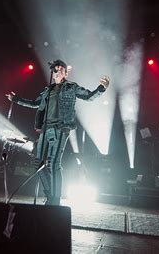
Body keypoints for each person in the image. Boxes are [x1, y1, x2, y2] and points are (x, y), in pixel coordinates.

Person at [6, 60, 109, 205]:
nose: (58, 70)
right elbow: (35, 103)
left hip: (60, 128)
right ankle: (50, 194)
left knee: (53, 164)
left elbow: (88, 96)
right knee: (37, 162)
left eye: (61, 69)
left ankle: (55, 200)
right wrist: (16, 99)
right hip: (45, 129)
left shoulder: (71, 87)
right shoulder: (47, 90)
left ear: (66, 73)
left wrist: (101, 88)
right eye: (56, 69)